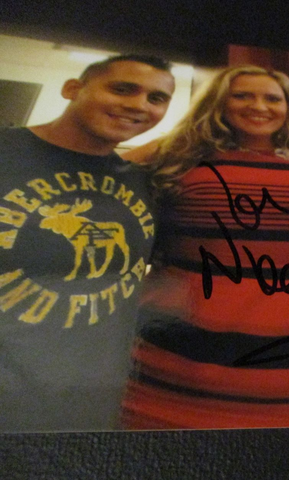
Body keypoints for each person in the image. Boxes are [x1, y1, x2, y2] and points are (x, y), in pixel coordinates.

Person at [120, 65, 289, 429]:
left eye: (272, 98)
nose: (258, 106)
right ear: (219, 102)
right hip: (183, 361)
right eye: (242, 95)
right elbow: (97, 180)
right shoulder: (176, 151)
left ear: (288, 107)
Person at [0, 54, 175, 432]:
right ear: (72, 89)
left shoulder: (145, 182)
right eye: (123, 89)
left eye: (156, 98)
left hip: (92, 404)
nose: (139, 105)